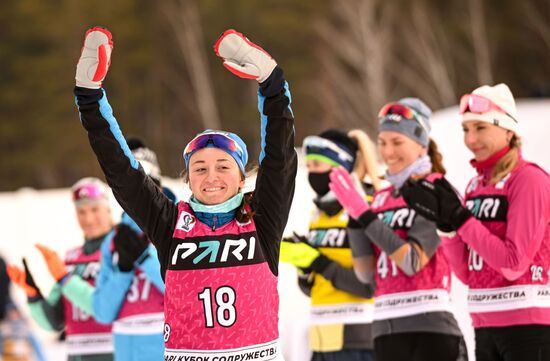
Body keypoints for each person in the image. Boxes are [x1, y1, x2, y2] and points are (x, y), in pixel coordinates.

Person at [73, 27, 297, 360]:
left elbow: (279, 156)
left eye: (223, 166)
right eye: (200, 168)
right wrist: (90, 99)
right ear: (188, 180)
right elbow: (122, 171)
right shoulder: (171, 223)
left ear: (241, 178)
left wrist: (272, 84)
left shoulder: (262, 217)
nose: (211, 177)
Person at [400, 84, 550, 361]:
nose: (471, 139)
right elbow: (470, 274)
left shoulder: (529, 180)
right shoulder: (475, 186)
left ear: (508, 129)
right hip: (484, 326)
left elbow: (513, 263)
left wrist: (461, 218)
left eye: (480, 128)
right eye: (466, 130)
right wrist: (447, 227)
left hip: (528, 328)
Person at [328, 98, 466, 361]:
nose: (388, 152)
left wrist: (364, 216)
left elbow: (412, 261)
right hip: (384, 330)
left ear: (421, 144)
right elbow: (366, 274)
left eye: (397, 142)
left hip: (430, 327)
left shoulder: (434, 190)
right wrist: (355, 219)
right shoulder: (381, 198)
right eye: (382, 142)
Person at [280, 129, 378, 361]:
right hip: (323, 337)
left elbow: (371, 286)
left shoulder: (366, 207)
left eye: (317, 165)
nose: (311, 173)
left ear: (340, 167)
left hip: (360, 337)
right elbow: (313, 289)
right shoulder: (318, 215)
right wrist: (304, 267)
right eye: (309, 166)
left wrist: (318, 261)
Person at [7, 177, 116, 360]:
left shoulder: (122, 251)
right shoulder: (72, 258)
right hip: (78, 354)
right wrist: (33, 294)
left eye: (95, 209)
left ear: (108, 209)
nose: (88, 219)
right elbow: (54, 321)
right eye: (81, 212)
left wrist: (65, 279)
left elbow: (108, 307)